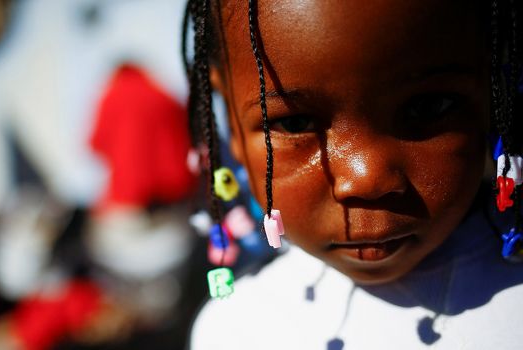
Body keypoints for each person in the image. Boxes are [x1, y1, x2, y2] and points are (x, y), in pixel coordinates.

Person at [183, 0, 523, 349]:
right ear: (229, 122)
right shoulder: (235, 330)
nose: (367, 179)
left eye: (428, 107)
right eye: (295, 123)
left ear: (494, 88)